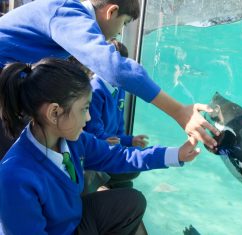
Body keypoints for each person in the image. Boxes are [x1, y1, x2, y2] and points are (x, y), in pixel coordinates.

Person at [0, 58, 200, 235]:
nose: (88, 117)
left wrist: (176, 155)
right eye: (84, 109)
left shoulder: (74, 140)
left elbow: (120, 157)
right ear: (54, 113)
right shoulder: (14, 178)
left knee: (133, 201)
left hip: (73, 221)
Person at [0, 0, 219, 159]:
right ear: (112, 11)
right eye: (124, 24)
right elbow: (113, 67)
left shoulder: (62, 12)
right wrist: (179, 111)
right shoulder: (67, 12)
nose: (120, 32)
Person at [83, 39, 148, 193]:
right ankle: (100, 184)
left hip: (111, 145)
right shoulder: (95, 90)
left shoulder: (119, 88)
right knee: (132, 170)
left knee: (129, 183)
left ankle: (115, 193)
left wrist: (130, 140)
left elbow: (119, 126)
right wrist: (111, 143)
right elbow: (93, 130)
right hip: (98, 148)